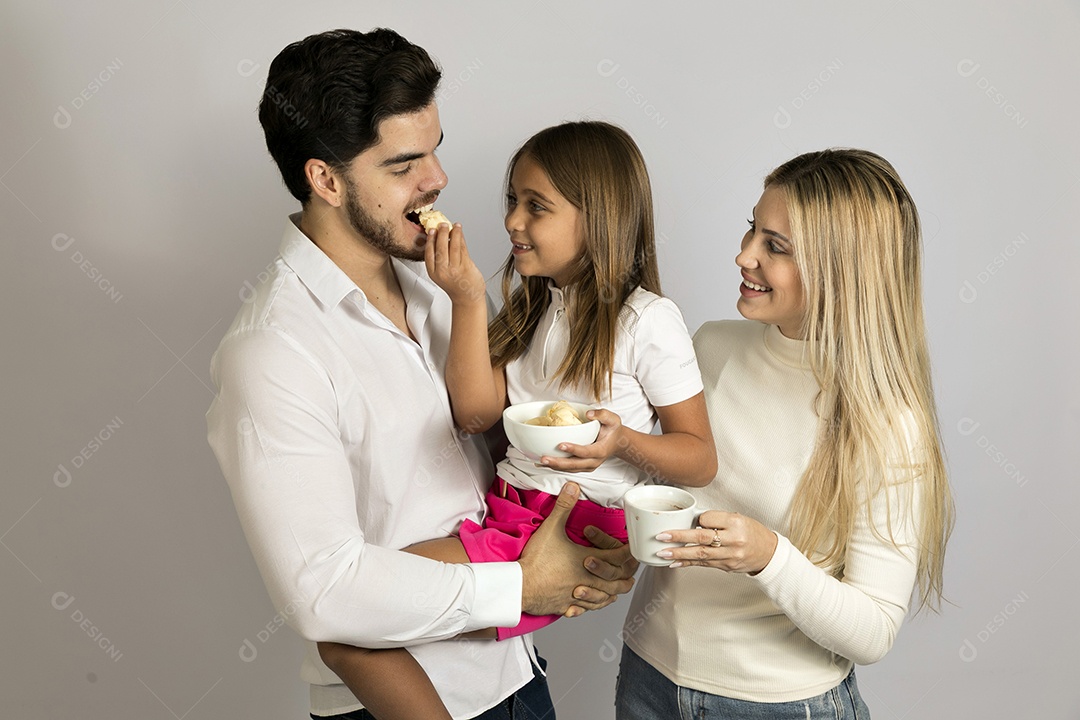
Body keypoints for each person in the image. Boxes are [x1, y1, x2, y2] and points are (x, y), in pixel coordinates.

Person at [206, 29, 637, 720]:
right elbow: (322, 588)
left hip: (518, 674)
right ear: (326, 179)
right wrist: (521, 584)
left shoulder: (443, 290)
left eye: (434, 148)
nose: (435, 178)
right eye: (405, 162)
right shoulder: (272, 352)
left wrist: (587, 530)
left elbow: (509, 452)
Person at [318, 121, 718, 718]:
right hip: (511, 511)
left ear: (598, 218)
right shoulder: (538, 308)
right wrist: (467, 297)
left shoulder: (646, 321)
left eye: (537, 206)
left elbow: (699, 455)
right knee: (361, 621)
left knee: (351, 626)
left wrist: (622, 443)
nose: (512, 221)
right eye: (512, 201)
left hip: (565, 524)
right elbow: (476, 412)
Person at [614, 148, 955, 719]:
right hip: (649, 676)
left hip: (780, 705)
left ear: (842, 270)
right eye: (753, 229)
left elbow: (873, 631)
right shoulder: (710, 347)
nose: (743, 255)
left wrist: (768, 556)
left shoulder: (886, 421)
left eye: (776, 246)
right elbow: (660, 495)